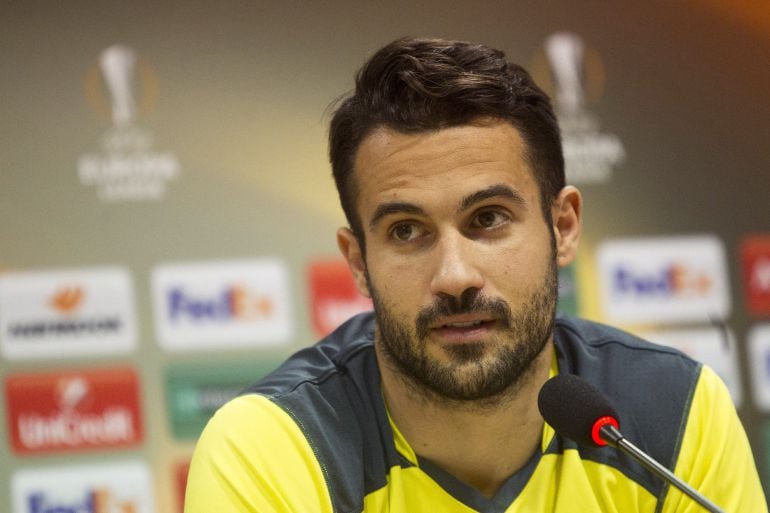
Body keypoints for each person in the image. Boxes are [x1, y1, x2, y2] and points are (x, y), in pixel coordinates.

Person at [184, 37, 766, 512]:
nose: (455, 276)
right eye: (407, 231)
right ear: (359, 261)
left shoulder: (671, 412)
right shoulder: (272, 448)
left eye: (488, 219)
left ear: (562, 226)